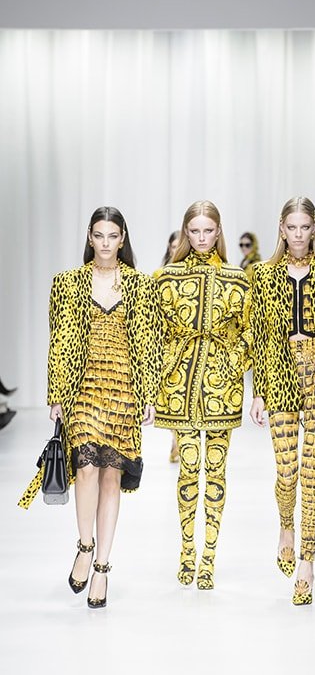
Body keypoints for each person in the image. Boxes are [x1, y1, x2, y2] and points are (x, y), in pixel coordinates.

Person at [19, 207, 160, 609]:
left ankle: (102, 566)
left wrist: (149, 395)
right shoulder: (67, 283)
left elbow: (148, 342)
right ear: (89, 236)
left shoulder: (140, 285)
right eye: (99, 235)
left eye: (112, 236)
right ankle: (84, 545)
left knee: (112, 478)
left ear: (122, 238)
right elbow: (59, 340)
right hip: (83, 386)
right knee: (85, 468)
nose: (105, 243)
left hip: (124, 389)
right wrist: (56, 394)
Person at [249, 196, 315, 606]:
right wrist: (258, 391)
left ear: (314, 228)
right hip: (278, 371)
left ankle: (307, 563)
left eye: (304, 227)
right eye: (291, 227)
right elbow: (260, 336)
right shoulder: (263, 274)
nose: (297, 235)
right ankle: (285, 526)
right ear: (281, 228)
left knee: (311, 472)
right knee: (287, 470)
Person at [153, 200, 251, 590]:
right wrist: (162, 372)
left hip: (222, 388)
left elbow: (251, 331)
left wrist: (232, 363)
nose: (201, 238)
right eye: (194, 231)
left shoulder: (237, 279)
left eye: (208, 231)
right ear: (185, 232)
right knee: (189, 469)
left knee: (217, 471)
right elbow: (154, 333)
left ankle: (209, 557)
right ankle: (186, 551)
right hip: (179, 385)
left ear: (219, 231)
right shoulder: (166, 278)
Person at [154, 230, 181, 463]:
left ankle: (180, 440)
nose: (177, 250)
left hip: (188, 347)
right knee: (171, 397)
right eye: (173, 246)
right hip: (166, 347)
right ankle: (176, 439)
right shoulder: (159, 277)